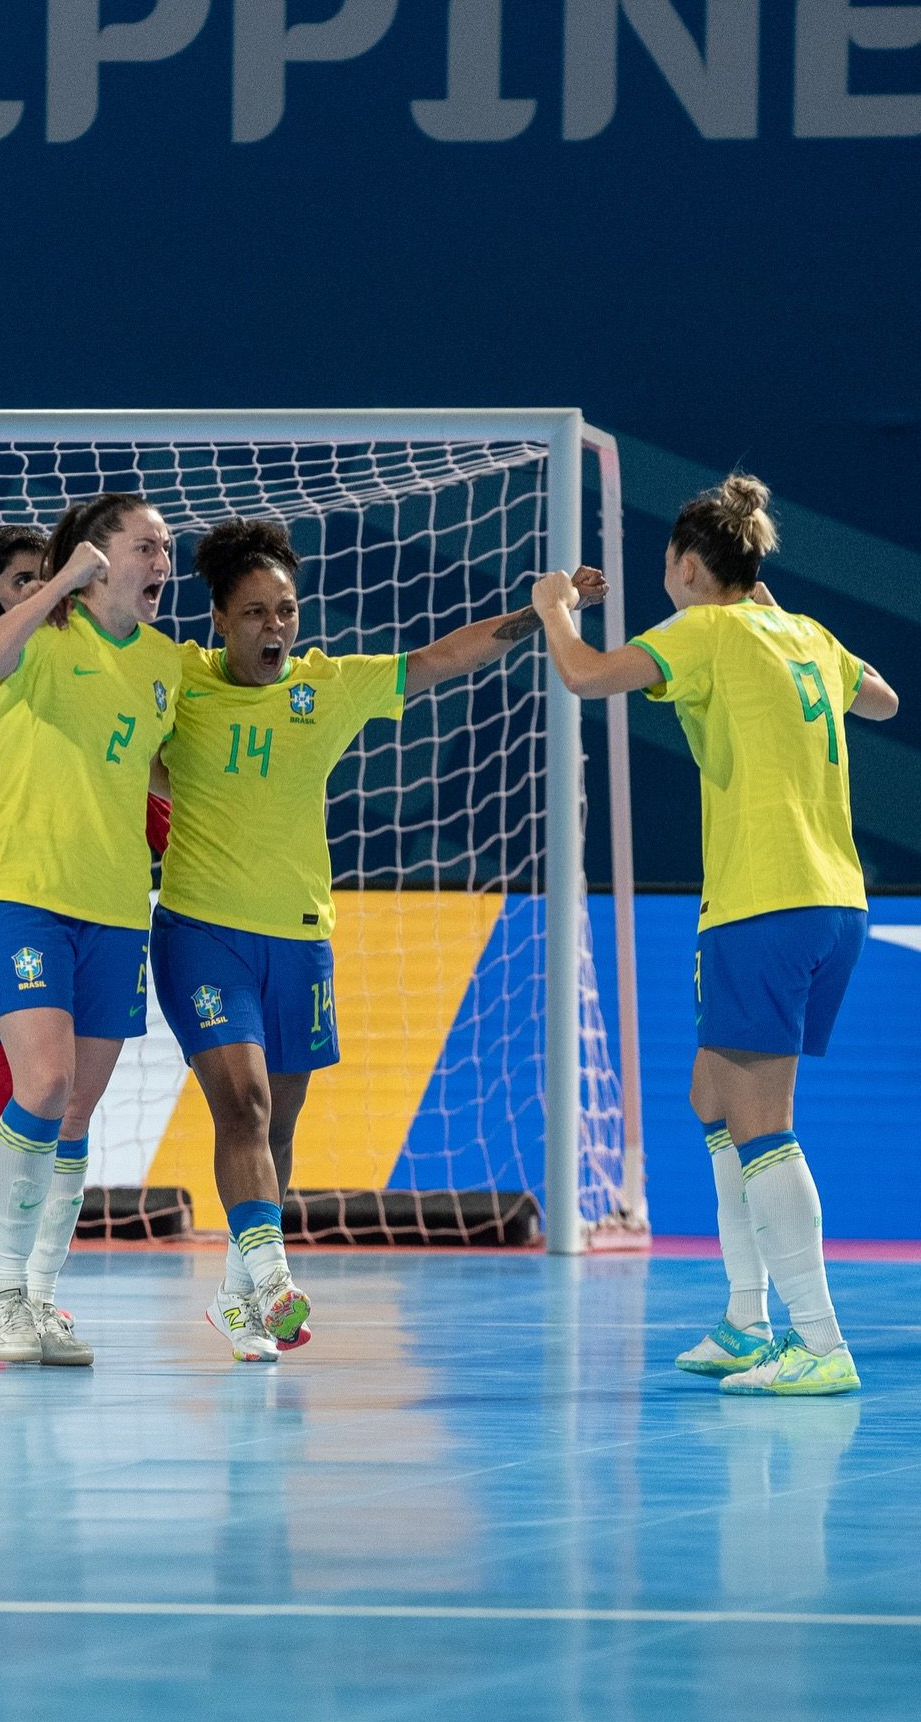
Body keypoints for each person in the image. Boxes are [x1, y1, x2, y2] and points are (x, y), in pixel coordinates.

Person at [153, 517, 607, 1361]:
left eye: (286, 611)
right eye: (254, 613)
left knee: (275, 1129)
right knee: (243, 1103)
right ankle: (278, 1280)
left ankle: (236, 1293)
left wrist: (544, 614)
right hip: (201, 933)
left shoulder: (326, 687)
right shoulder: (177, 678)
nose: (275, 629)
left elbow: (441, 657)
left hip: (299, 942)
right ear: (217, 618)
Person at [532, 474, 898, 1396]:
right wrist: (780, 617)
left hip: (763, 902)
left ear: (692, 567)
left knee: (764, 1124)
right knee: (711, 1094)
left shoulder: (701, 632)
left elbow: (581, 676)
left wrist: (552, 609)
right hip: (835, 901)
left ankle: (818, 1341)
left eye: (668, 564)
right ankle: (746, 1319)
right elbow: (884, 701)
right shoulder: (804, 634)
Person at [0, 526, 173, 1328]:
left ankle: (30, 1283)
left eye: (48, 577)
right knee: (8, 1081)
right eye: (24, 579)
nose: (42, 590)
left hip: (75, 901)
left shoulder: (82, 671)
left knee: (65, 1100)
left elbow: (105, 772)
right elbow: (5, 785)